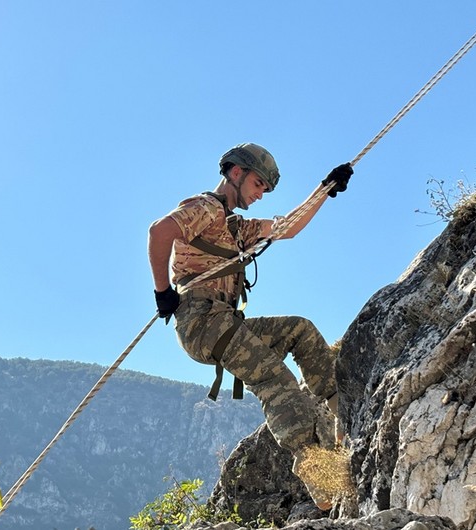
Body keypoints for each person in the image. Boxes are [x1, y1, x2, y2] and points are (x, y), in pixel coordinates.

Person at [147, 143, 352, 510]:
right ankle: (320, 478)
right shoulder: (207, 208)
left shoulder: (235, 226)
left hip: (221, 321)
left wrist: (324, 190)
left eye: (265, 190)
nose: (260, 194)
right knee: (277, 381)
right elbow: (160, 232)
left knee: (299, 331)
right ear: (236, 173)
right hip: (203, 321)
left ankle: (341, 409)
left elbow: (286, 227)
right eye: (258, 184)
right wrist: (163, 292)